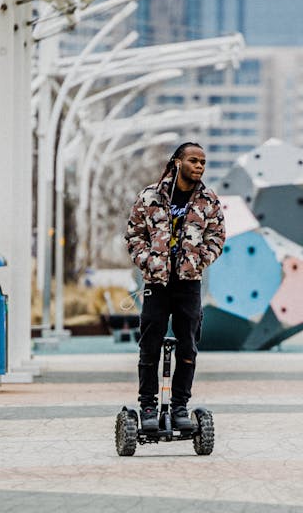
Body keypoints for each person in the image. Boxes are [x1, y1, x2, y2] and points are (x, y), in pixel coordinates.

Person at [125, 141, 225, 433]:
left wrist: (200, 261)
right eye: (193, 160)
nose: (199, 166)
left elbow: (217, 236)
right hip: (156, 284)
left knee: (188, 345)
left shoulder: (209, 200)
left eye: (203, 162)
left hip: (188, 284)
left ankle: (181, 405)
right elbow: (134, 234)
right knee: (149, 344)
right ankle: (147, 405)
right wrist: (148, 262)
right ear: (177, 162)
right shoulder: (150, 196)